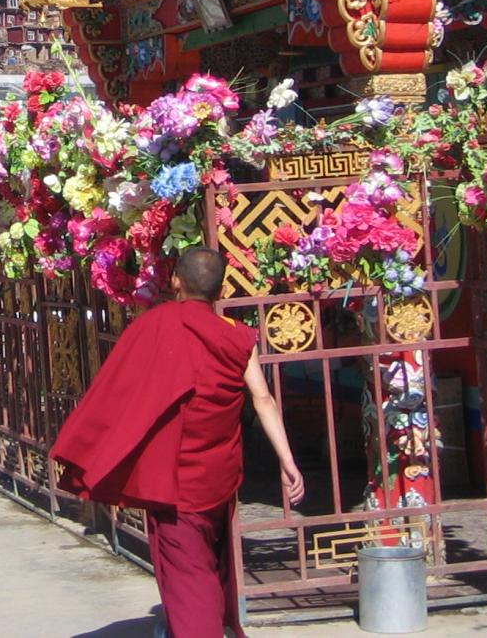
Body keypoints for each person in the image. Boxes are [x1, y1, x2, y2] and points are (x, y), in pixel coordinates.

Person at [50, 247, 304, 638]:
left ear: (175, 282)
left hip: (175, 477)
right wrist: (288, 459)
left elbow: (119, 392)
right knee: (212, 558)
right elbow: (262, 398)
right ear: (220, 290)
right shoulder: (237, 336)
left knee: (190, 574)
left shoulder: (155, 325)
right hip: (220, 471)